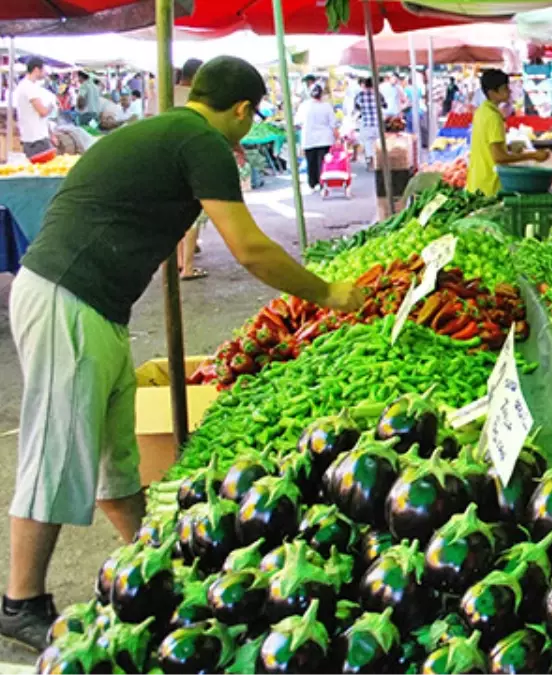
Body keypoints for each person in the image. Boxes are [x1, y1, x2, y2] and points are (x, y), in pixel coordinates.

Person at [0, 55, 365, 652]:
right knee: (55, 447)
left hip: (86, 299)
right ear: (243, 109)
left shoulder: (165, 129)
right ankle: (21, 601)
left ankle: (147, 560)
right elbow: (247, 247)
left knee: (114, 449)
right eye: (253, 117)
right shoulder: (203, 142)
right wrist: (327, 293)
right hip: (70, 293)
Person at [466, 69, 550, 196]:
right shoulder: (493, 117)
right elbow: (499, 157)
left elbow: (488, 146)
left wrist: (508, 147)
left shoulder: (482, 111)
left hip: (478, 181)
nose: (509, 91)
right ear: (492, 93)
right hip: (490, 185)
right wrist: (533, 155)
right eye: (505, 88)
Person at [174, 58, 207, 280]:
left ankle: (178, 260)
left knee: (176, 214)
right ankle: (187, 266)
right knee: (193, 215)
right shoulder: (196, 99)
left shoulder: (165, 93)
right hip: (190, 160)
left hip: (166, 161)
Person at [299, 83, 339, 193]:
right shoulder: (327, 106)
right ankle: (323, 182)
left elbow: (298, 122)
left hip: (309, 139)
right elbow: (333, 124)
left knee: (311, 162)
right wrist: (337, 137)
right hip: (325, 138)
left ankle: (313, 183)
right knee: (323, 163)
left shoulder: (304, 106)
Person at [14, 58, 56, 161]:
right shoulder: (29, 87)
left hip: (33, 137)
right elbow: (42, 112)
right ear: (37, 70)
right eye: (44, 70)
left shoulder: (26, 86)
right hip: (36, 139)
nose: (45, 73)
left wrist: (51, 134)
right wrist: (52, 105)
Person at [353, 77, 386, 170]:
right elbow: (385, 105)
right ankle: (379, 163)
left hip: (366, 123)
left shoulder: (359, 95)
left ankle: (370, 163)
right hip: (378, 123)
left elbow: (356, 108)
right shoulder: (378, 95)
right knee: (379, 144)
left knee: (368, 143)